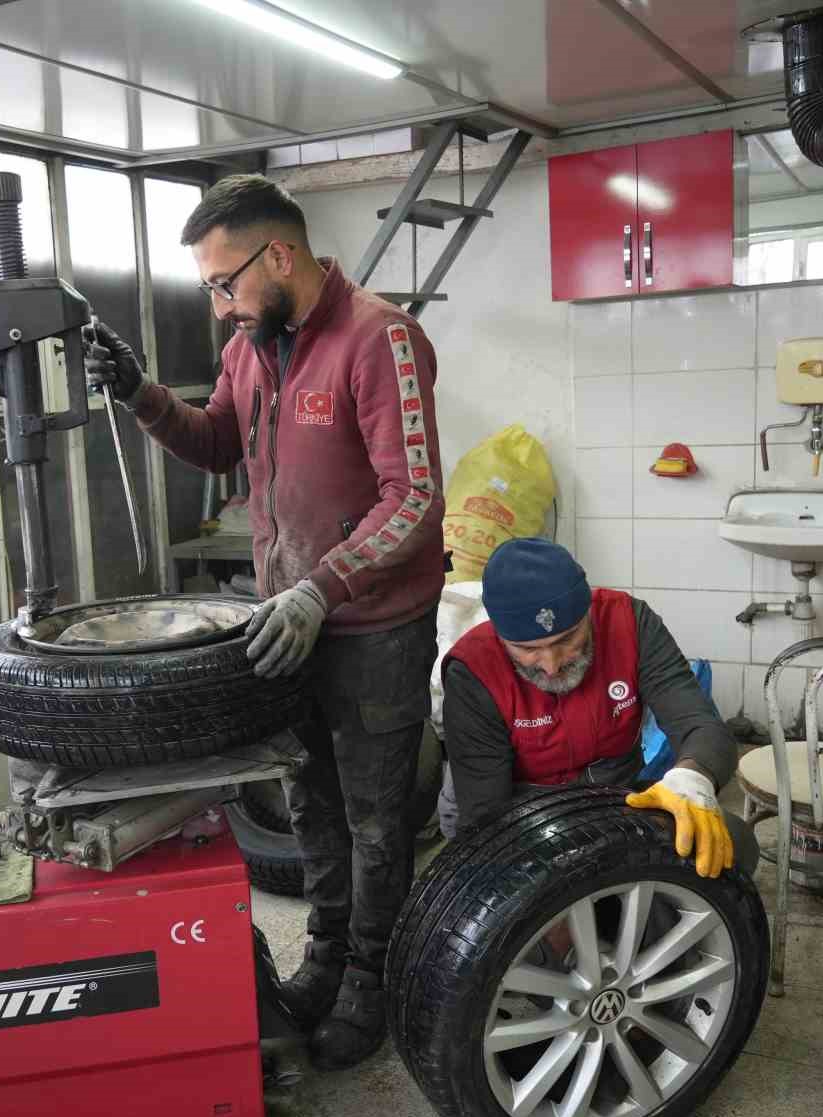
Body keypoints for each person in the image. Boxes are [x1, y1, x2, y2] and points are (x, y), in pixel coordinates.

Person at [84, 174, 444, 1070]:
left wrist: (323, 586)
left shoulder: (380, 338)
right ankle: (325, 956)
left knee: (373, 817)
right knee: (308, 804)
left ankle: (373, 976)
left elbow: (416, 501)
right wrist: (141, 394)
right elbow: (216, 442)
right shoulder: (256, 344)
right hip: (292, 625)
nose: (219, 307)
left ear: (279, 255)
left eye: (224, 283)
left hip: (373, 632)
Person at [440, 538, 758, 878]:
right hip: (517, 816)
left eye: (566, 640)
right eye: (527, 649)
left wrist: (691, 779)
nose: (551, 665)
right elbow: (486, 816)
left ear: (588, 612)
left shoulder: (630, 625)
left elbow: (700, 725)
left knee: (729, 845)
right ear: (501, 638)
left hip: (612, 803)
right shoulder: (474, 670)